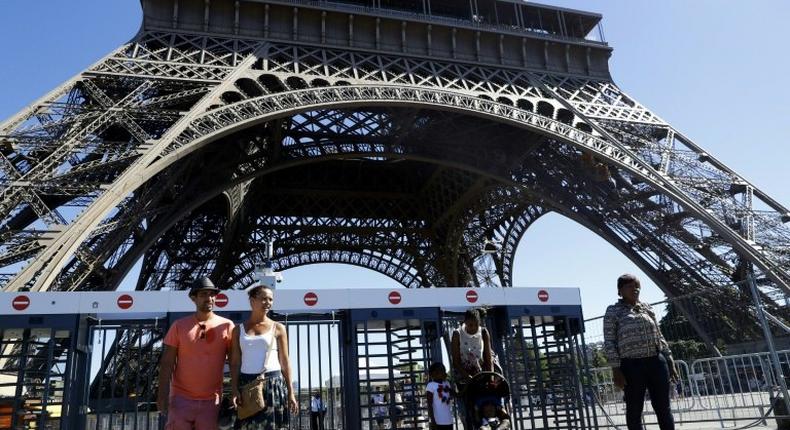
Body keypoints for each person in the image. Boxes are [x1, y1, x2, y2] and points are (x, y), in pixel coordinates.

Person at [157, 277, 234, 430]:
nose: (209, 298)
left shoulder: (227, 326)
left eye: (212, 294)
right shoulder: (179, 326)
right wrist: (162, 394)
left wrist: (235, 392)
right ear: (194, 298)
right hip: (181, 399)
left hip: (212, 401)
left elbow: (234, 363)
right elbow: (167, 363)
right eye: (203, 294)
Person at [603, 274, 678, 430]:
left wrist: (669, 358)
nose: (635, 289)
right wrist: (616, 369)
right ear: (620, 291)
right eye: (629, 286)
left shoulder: (647, 307)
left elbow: (659, 334)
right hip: (631, 366)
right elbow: (609, 342)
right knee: (634, 410)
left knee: (664, 408)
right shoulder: (613, 311)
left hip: (656, 362)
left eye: (637, 286)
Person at [230, 285, 298, 430]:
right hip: (246, 385)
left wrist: (291, 392)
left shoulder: (278, 327)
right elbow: (235, 362)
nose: (268, 302)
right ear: (252, 301)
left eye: (270, 299)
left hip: (272, 385)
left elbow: (285, 361)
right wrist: (234, 388)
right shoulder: (237, 330)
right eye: (263, 299)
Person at [451, 309, 493, 429]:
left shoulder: (484, 332)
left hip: (480, 375)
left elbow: (488, 358)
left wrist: (490, 379)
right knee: (467, 409)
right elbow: (456, 362)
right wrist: (467, 377)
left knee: (484, 406)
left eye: (476, 324)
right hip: (463, 377)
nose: (473, 327)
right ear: (464, 322)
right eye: (470, 325)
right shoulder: (457, 334)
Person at [426, 362, 454, 430]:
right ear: (433, 374)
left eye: (444, 370)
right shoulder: (431, 385)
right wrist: (433, 421)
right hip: (438, 422)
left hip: (449, 420)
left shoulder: (447, 383)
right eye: (441, 370)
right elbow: (429, 405)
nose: (444, 372)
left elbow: (456, 394)